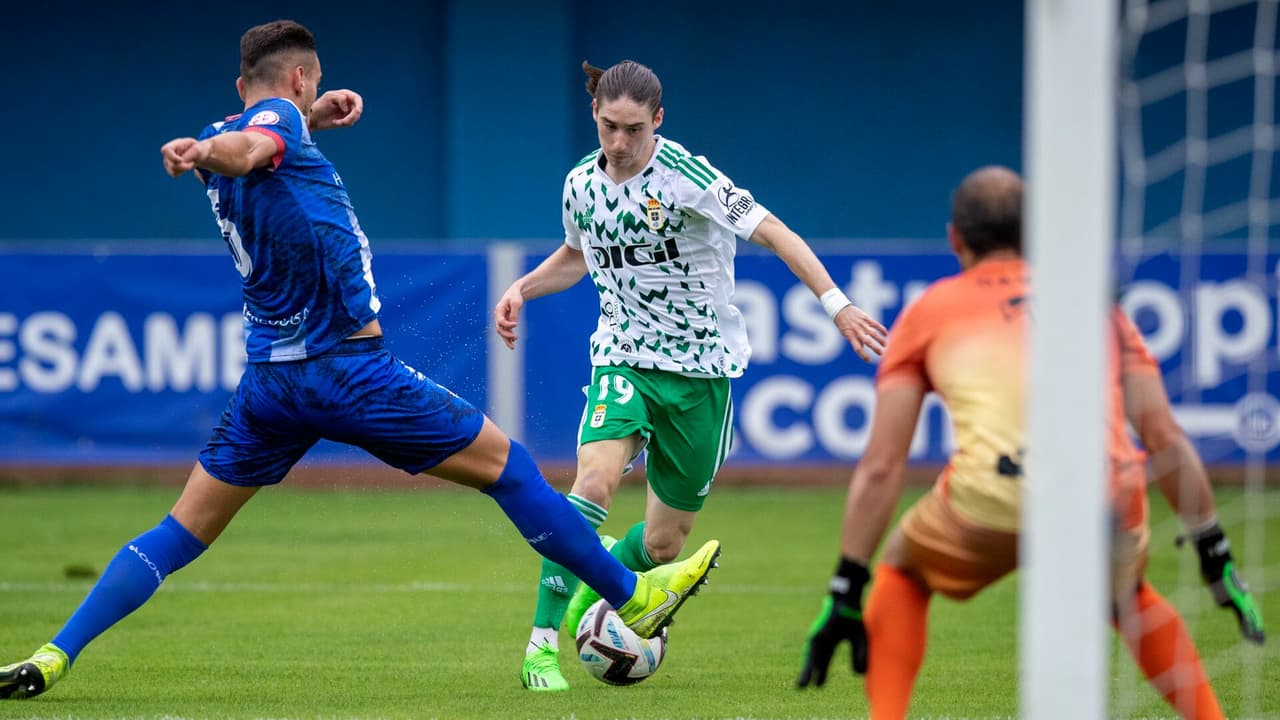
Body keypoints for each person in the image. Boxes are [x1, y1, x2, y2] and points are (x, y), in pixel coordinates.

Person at [0, 21, 721, 701]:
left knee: (179, 532)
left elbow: (249, 146)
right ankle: (636, 595)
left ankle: (54, 654)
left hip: (271, 384)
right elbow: (254, 148)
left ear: (240, 83)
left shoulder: (249, 128)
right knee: (513, 472)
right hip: (348, 371)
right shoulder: (264, 128)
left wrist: (236, 141)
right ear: (303, 77)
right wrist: (227, 141)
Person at [795, 166, 1265, 719]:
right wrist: (1214, 550)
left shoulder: (930, 309)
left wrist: (846, 584)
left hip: (992, 494)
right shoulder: (1094, 306)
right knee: (1128, 595)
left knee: (903, 567)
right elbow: (1164, 438)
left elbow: (881, 465)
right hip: (1105, 494)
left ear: (955, 239)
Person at [494, 59, 889, 692]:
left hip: (702, 370)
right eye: (607, 127)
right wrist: (523, 287)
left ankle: (584, 603)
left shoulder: (689, 176)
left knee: (664, 544)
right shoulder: (579, 185)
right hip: (623, 356)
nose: (619, 144)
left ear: (658, 120)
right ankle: (540, 648)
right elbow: (577, 255)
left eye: (632, 130)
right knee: (592, 482)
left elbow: (778, 234)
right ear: (594, 116)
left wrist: (836, 305)